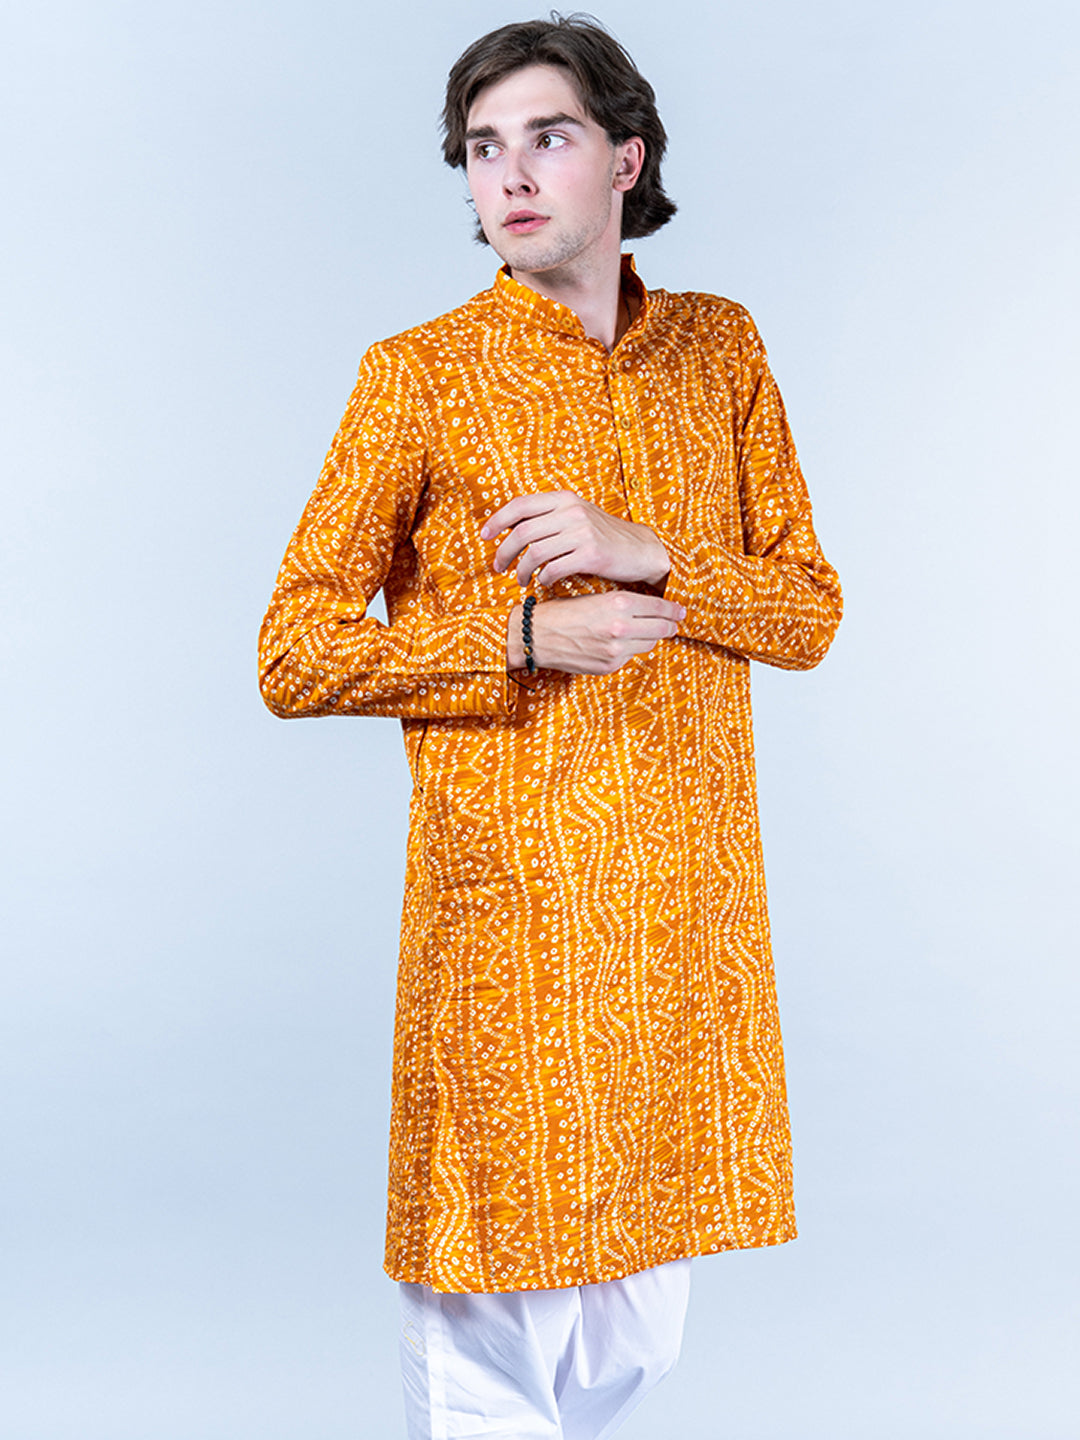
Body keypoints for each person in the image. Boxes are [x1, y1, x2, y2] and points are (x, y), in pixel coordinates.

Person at [258, 14, 843, 1438]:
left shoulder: (718, 351)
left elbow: (808, 614)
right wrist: (519, 637)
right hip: (513, 932)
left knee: (635, 1338)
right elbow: (294, 650)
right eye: (481, 149)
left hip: (684, 933)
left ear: (626, 159)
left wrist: (657, 557)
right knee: (487, 1334)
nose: (509, 175)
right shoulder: (423, 374)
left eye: (549, 136)